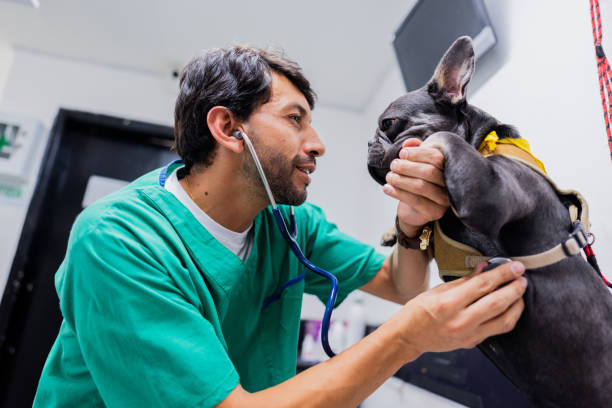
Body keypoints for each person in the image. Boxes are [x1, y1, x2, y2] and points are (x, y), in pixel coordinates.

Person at [33, 46, 527, 407]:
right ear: (228, 128)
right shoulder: (119, 240)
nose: (317, 144)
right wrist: (408, 337)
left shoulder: (287, 224)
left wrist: (411, 220)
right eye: (296, 119)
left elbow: (402, 284)